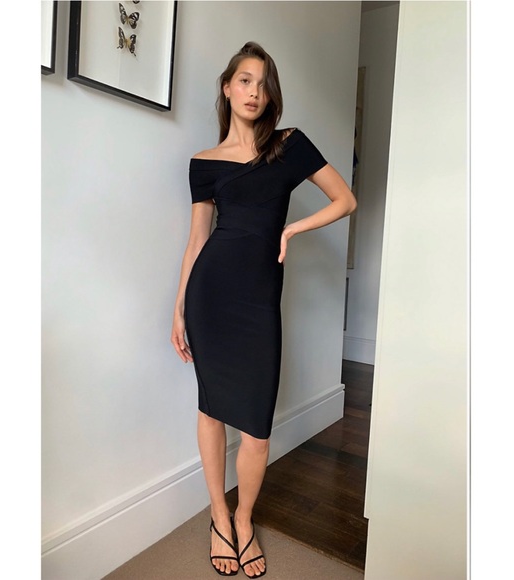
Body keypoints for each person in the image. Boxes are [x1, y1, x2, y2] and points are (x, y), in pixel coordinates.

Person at [171, 41, 357, 578]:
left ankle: (244, 518)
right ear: (227, 88)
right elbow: (196, 241)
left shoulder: (288, 145)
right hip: (210, 294)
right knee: (210, 409)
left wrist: (293, 228)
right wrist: (179, 309)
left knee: (256, 426)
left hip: (257, 300)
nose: (254, 91)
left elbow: (345, 200)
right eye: (244, 80)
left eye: (263, 83)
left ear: (270, 94)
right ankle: (219, 515)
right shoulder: (203, 163)